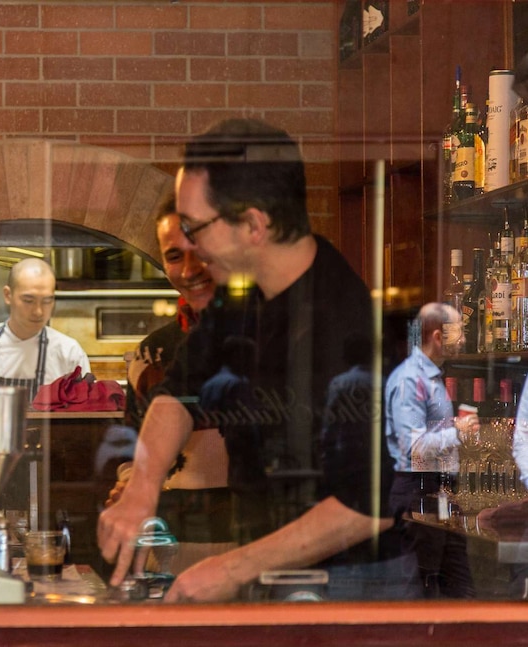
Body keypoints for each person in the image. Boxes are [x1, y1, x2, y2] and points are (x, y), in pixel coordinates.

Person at [97, 117, 401, 602]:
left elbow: (368, 507)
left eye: (197, 229)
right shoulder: (242, 299)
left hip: (348, 584)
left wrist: (232, 568)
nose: (190, 249)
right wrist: (143, 487)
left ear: (255, 225)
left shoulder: (346, 328)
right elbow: (178, 393)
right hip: (271, 567)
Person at [108, 196, 236, 572]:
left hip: (257, 551)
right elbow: (132, 451)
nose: (190, 269)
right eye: (175, 256)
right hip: (168, 553)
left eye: (201, 251)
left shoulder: (273, 340)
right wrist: (130, 485)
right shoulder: (151, 354)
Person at [383, 302, 478, 598]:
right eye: (458, 332)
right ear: (438, 336)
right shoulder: (410, 380)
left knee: (459, 589)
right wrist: (457, 433)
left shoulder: (431, 377)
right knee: (421, 592)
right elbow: (414, 448)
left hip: (439, 490)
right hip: (416, 490)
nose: (463, 339)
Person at [0, 257, 90, 401]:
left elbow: (85, 412)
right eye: (28, 301)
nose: (38, 311)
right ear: (8, 295)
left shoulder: (69, 352)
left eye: (47, 301)